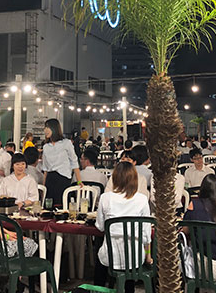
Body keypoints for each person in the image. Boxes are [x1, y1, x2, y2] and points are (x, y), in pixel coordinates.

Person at [95, 162, 152, 293]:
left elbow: (100, 227)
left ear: (115, 178)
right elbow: (146, 235)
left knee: (100, 258)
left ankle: (99, 289)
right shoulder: (142, 199)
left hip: (110, 256)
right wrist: (148, 256)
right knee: (130, 261)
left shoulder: (105, 198)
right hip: (135, 258)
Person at [42, 118, 81, 207]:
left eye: (48, 127)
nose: (45, 130)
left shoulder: (66, 143)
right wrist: (44, 189)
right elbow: (45, 169)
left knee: (61, 206)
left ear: (54, 128)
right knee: (48, 207)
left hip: (63, 178)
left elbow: (74, 162)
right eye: (45, 128)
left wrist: (79, 181)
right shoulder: (46, 147)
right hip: (50, 179)